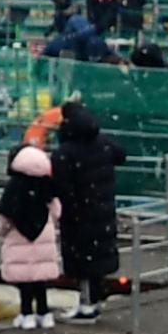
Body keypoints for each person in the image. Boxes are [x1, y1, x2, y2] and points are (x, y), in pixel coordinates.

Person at [52, 102, 122, 318]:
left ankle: (85, 304)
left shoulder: (65, 152)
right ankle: (94, 299)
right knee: (97, 256)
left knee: (80, 259)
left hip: (77, 214)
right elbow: (121, 154)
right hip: (102, 209)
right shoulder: (103, 143)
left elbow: (61, 185)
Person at [0, 133, 63, 329]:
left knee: (24, 279)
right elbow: (56, 209)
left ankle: (26, 314)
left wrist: (3, 231)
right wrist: (49, 222)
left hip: (19, 235)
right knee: (40, 278)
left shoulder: (14, 187)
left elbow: (5, 215)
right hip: (44, 233)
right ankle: (44, 313)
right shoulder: (46, 184)